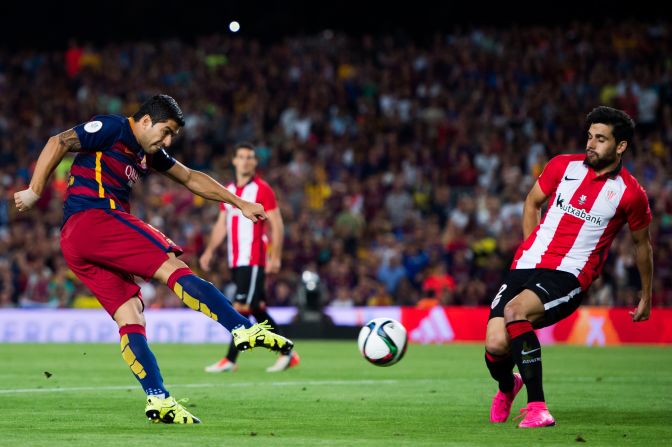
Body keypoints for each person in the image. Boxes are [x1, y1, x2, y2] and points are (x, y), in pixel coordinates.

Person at [14, 95, 295, 424]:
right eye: (166, 131)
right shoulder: (114, 127)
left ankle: (158, 399)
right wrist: (35, 190)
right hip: (96, 219)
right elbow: (58, 141)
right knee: (172, 267)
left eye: (173, 135)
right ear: (145, 121)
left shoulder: (147, 153)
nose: (168, 140)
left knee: (131, 315)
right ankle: (240, 328)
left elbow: (190, 178)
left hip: (77, 242)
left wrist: (238, 202)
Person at [484, 106, 653, 428]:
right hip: (528, 264)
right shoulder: (563, 166)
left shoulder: (630, 194)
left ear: (620, 146)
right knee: (495, 344)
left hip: (569, 274)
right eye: (589, 136)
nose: (591, 144)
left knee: (516, 312)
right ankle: (509, 386)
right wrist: (531, 246)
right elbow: (532, 202)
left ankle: (538, 408)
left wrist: (646, 294)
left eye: (601, 139)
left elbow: (642, 244)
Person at [200, 142, 300, 373]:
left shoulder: (262, 189)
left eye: (250, 157)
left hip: (254, 257)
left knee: (240, 306)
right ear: (234, 161)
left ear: (255, 162)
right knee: (257, 308)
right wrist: (209, 251)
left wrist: (275, 257)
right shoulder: (228, 190)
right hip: (236, 259)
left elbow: (277, 223)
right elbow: (221, 225)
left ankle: (230, 359)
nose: (245, 161)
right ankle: (288, 353)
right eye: (241, 157)